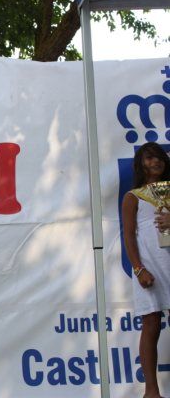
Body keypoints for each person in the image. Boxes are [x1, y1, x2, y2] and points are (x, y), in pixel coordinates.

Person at [121, 142, 170, 398]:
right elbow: (129, 235)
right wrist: (139, 269)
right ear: (140, 164)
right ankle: (151, 391)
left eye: (159, 157)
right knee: (151, 324)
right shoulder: (133, 197)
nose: (155, 162)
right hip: (150, 266)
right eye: (149, 158)